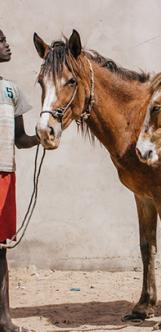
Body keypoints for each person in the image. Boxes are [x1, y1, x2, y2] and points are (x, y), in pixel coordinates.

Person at [0, 29, 38, 332]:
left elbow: (21, 139)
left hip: (4, 174)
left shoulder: (12, 92)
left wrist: (42, 137)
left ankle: (4, 320)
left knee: (0, 250)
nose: (7, 43)